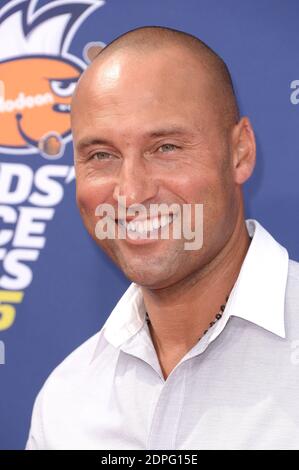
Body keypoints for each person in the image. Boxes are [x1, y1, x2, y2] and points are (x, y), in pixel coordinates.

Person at [26, 26, 299, 450]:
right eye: (101, 155)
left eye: (166, 147)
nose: (131, 194)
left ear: (240, 152)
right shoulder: (66, 400)